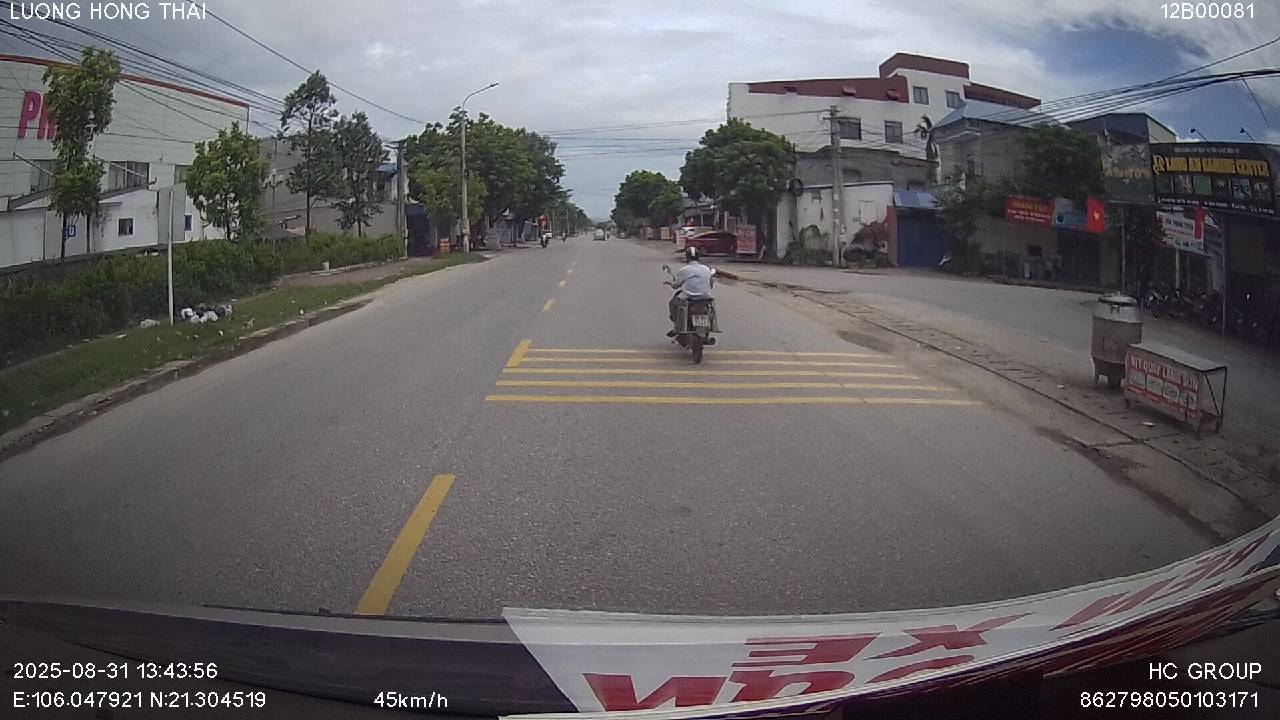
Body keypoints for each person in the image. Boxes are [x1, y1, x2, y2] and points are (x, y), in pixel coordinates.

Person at [667, 246, 714, 336]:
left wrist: (671, 283)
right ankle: (706, 329)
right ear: (698, 257)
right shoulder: (706, 269)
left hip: (688, 297)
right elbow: (711, 284)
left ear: (687, 257)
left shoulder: (684, 270)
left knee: (673, 303)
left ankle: (676, 326)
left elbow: (676, 285)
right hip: (705, 297)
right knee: (710, 308)